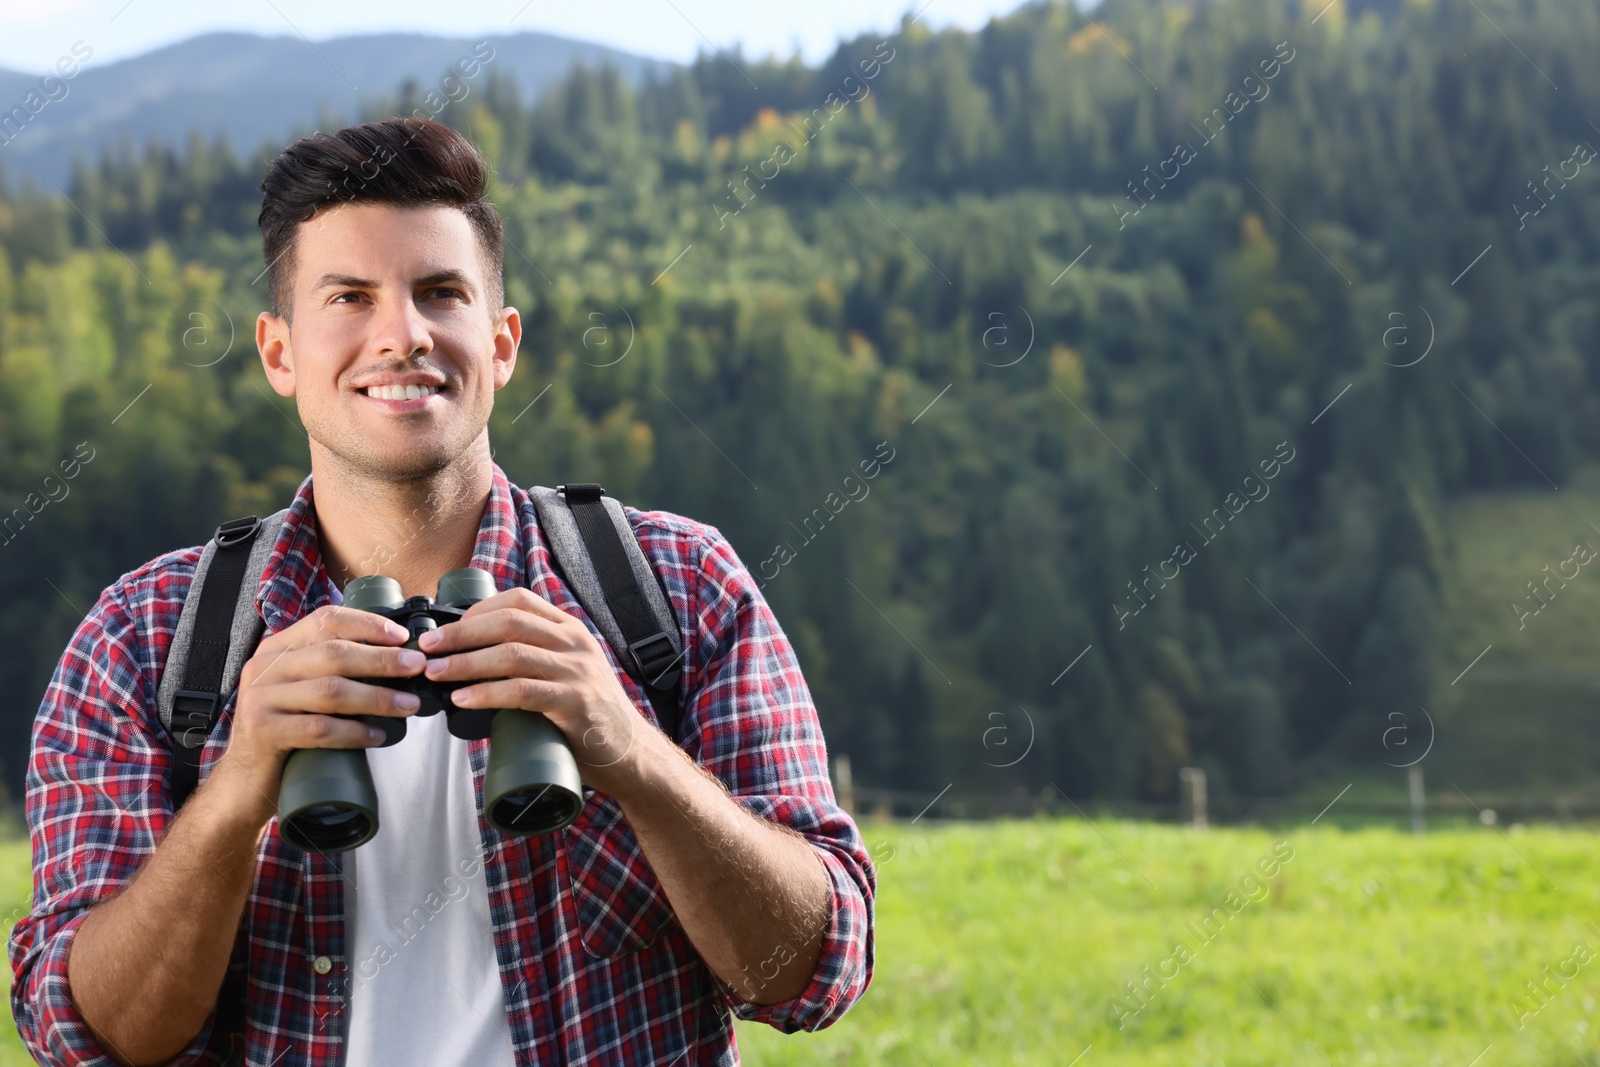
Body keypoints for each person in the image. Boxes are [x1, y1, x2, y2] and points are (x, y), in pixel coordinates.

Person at [8, 116, 875, 1067]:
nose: (404, 334)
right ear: (279, 353)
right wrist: (233, 793)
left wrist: (630, 749)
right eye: (349, 296)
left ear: (500, 344)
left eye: (440, 293)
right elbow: (90, 1036)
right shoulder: (146, 639)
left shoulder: (673, 587)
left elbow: (816, 967)